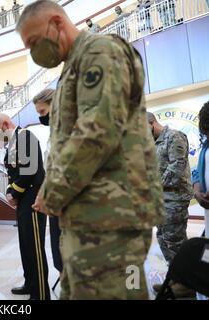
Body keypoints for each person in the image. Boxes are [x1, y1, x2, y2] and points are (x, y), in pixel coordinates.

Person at [17, 0, 164, 299]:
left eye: (34, 42)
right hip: (89, 217)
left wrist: (53, 191)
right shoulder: (71, 70)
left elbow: (97, 131)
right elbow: (68, 142)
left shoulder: (100, 52)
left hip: (113, 217)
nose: (35, 53)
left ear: (57, 23)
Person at [0, 113, 50, 300]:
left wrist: (14, 193)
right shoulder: (14, 142)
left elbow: (30, 171)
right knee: (25, 245)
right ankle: (30, 283)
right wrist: (11, 191)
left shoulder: (25, 136)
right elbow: (12, 174)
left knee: (34, 249)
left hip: (33, 200)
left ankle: (40, 293)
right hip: (23, 200)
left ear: (5, 124)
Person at [147, 113, 195, 297]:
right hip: (160, 200)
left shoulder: (175, 137)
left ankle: (187, 283)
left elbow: (176, 167)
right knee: (163, 239)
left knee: (175, 242)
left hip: (175, 200)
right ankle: (175, 279)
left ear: (152, 124)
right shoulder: (154, 143)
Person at [33, 88, 63, 280]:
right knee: (59, 253)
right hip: (56, 204)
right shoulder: (55, 132)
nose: (42, 118)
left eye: (43, 112)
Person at [192, 101, 209, 300]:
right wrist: (197, 190)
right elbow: (197, 171)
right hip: (207, 217)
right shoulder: (205, 147)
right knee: (203, 260)